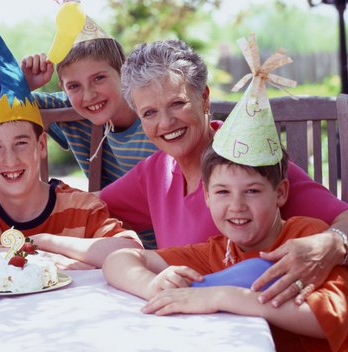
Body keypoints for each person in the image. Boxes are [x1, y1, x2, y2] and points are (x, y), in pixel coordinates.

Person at [100, 36, 348, 307]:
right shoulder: (156, 171)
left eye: (177, 103)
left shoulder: (247, 163)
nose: (166, 122)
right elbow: (91, 208)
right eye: (149, 113)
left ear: (204, 98)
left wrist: (331, 244)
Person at [0, 25, 141, 273]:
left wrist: (44, 244)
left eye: (21, 143)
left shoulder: (80, 209)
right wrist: (17, 255)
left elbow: (132, 251)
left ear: (41, 145)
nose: (10, 159)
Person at [0, 0, 158, 248]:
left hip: (156, 243)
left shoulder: (155, 121)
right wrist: (25, 82)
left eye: (99, 78)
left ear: (123, 71)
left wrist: (70, 203)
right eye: (74, 86)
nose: (88, 96)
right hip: (104, 245)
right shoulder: (72, 112)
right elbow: (1, 117)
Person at [103, 143, 347, 351]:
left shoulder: (308, 240)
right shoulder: (217, 252)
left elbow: (333, 318)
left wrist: (221, 296)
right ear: (207, 197)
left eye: (251, 191)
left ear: (280, 193)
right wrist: (151, 286)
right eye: (222, 192)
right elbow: (120, 259)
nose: (236, 205)